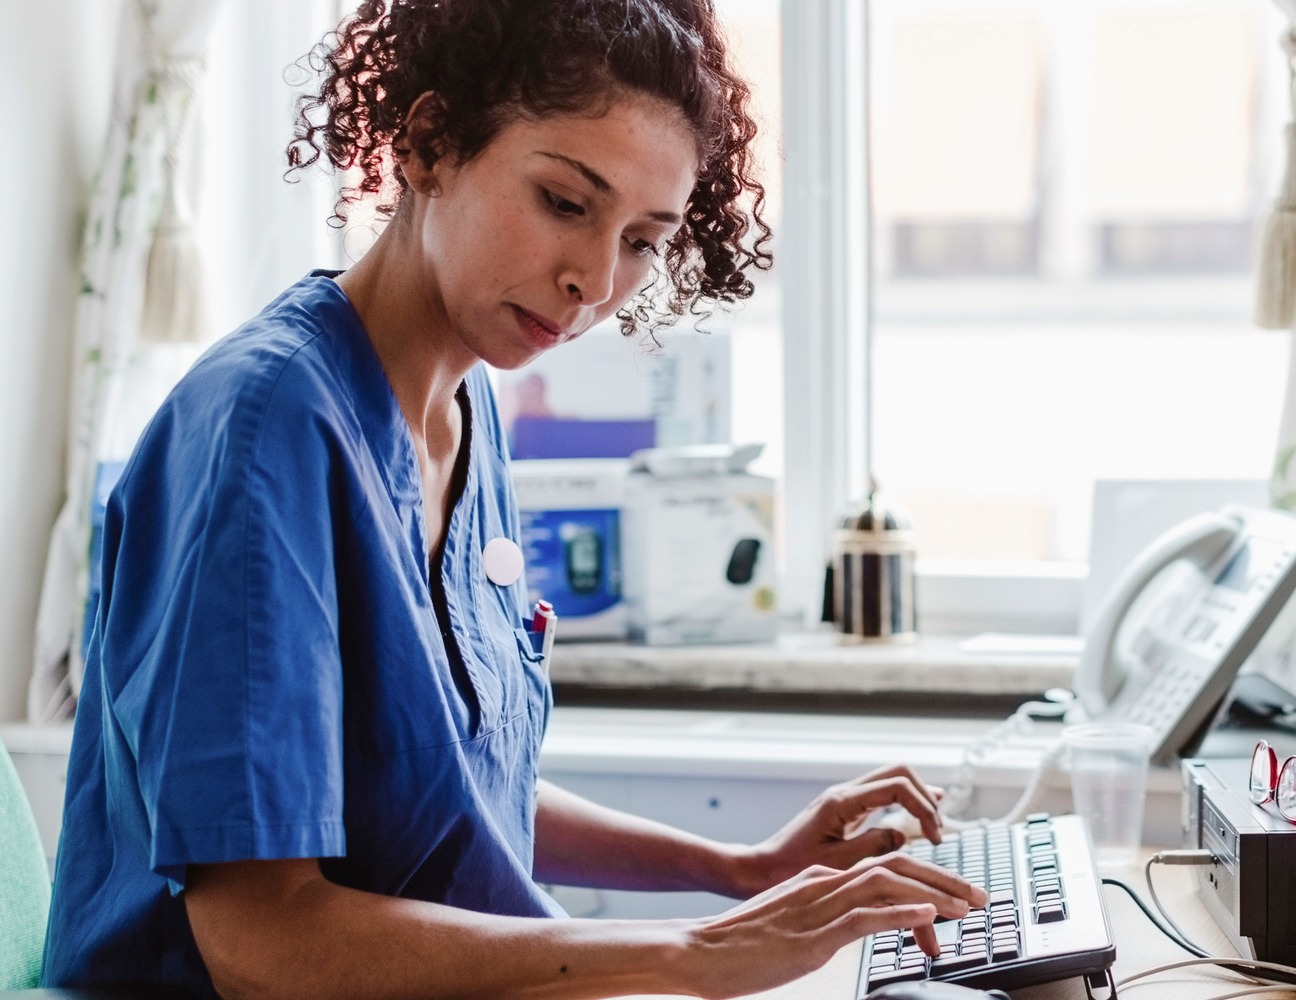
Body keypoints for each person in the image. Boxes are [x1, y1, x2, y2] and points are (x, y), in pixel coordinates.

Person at [41, 1, 981, 997]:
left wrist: (738, 868)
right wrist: (694, 952)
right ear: (428, 142)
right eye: (566, 204)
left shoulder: (469, 407)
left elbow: (453, 795)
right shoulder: (264, 428)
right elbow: (260, 940)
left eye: (643, 241)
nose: (594, 281)